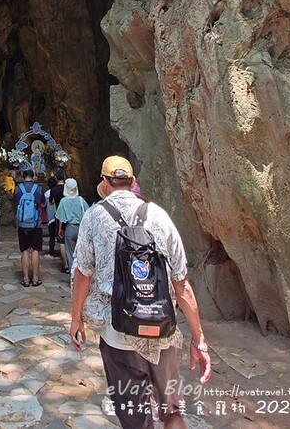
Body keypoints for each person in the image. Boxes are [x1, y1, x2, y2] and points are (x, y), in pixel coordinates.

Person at [69, 156, 211, 429]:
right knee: (173, 413)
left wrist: (76, 319)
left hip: (119, 334)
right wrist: (198, 338)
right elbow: (182, 283)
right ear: (133, 182)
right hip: (163, 334)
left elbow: (82, 274)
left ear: (104, 182)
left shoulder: (94, 217)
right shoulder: (158, 215)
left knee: (135, 421)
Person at [14, 168, 44, 287]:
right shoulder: (39, 189)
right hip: (36, 224)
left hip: (23, 225)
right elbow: (41, 203)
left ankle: (26, 279)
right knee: (35, 250)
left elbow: (16, 202)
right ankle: (35, 278)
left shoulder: (18, 189)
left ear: (23, 177)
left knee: (25, 250)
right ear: (33, 177)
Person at [54, 178, 88, 273]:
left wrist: (60, 229)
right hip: (81, 228)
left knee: (70, 252)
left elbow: (61, 218)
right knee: (81, 252)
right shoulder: (81, 200)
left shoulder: (64, 201)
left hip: (70, 227)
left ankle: (73, 276)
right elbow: (88, 213)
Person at [50, 167, 69, 273]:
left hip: (59, 216)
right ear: (65, 177)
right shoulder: (69, 189)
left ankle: (66, 264)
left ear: (55, 177)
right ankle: (71, 262)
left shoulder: (53, 190)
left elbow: (51, 202)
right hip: (70, 216)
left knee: (61, 241)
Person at [43, 177, 58, 260]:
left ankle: (51, 252)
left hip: (51, 217)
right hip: (59, 216)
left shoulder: (47, 194)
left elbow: (44, 205)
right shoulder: (60, 191)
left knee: (51, 235)